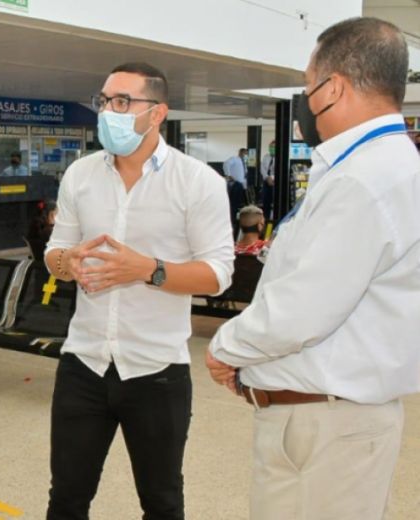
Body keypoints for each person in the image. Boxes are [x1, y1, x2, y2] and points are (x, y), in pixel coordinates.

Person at [206, 17, 420, 520]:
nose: (306, 101)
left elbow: (303, 309)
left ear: (334, 88)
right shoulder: (385, 166)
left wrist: (226, 347)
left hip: (326, 427)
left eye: (308, 86)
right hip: (334, 420)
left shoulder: (363, 180)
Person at [45, 62, 234, 520]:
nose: (109, 111)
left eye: (123, 102)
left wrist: (147, 270)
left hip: (156, 371)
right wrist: (66, 263)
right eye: (105, 101)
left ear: (157, 113)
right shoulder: (80, 175)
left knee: (162, 501)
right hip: (84, 363)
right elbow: (55, 254)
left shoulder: (198, 182)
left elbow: (217, 273)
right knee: (67, 499)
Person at [258, 140, 276, 220]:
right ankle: (266, 219)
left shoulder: (282, 157)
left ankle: (275, 219)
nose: (271, 148)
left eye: (273, 147)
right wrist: (267, 177)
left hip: (276, 182)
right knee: (266, 201)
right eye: (270, 147)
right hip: (266, 182)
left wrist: (272, 178)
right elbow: (262, 169)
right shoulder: (266, 157)